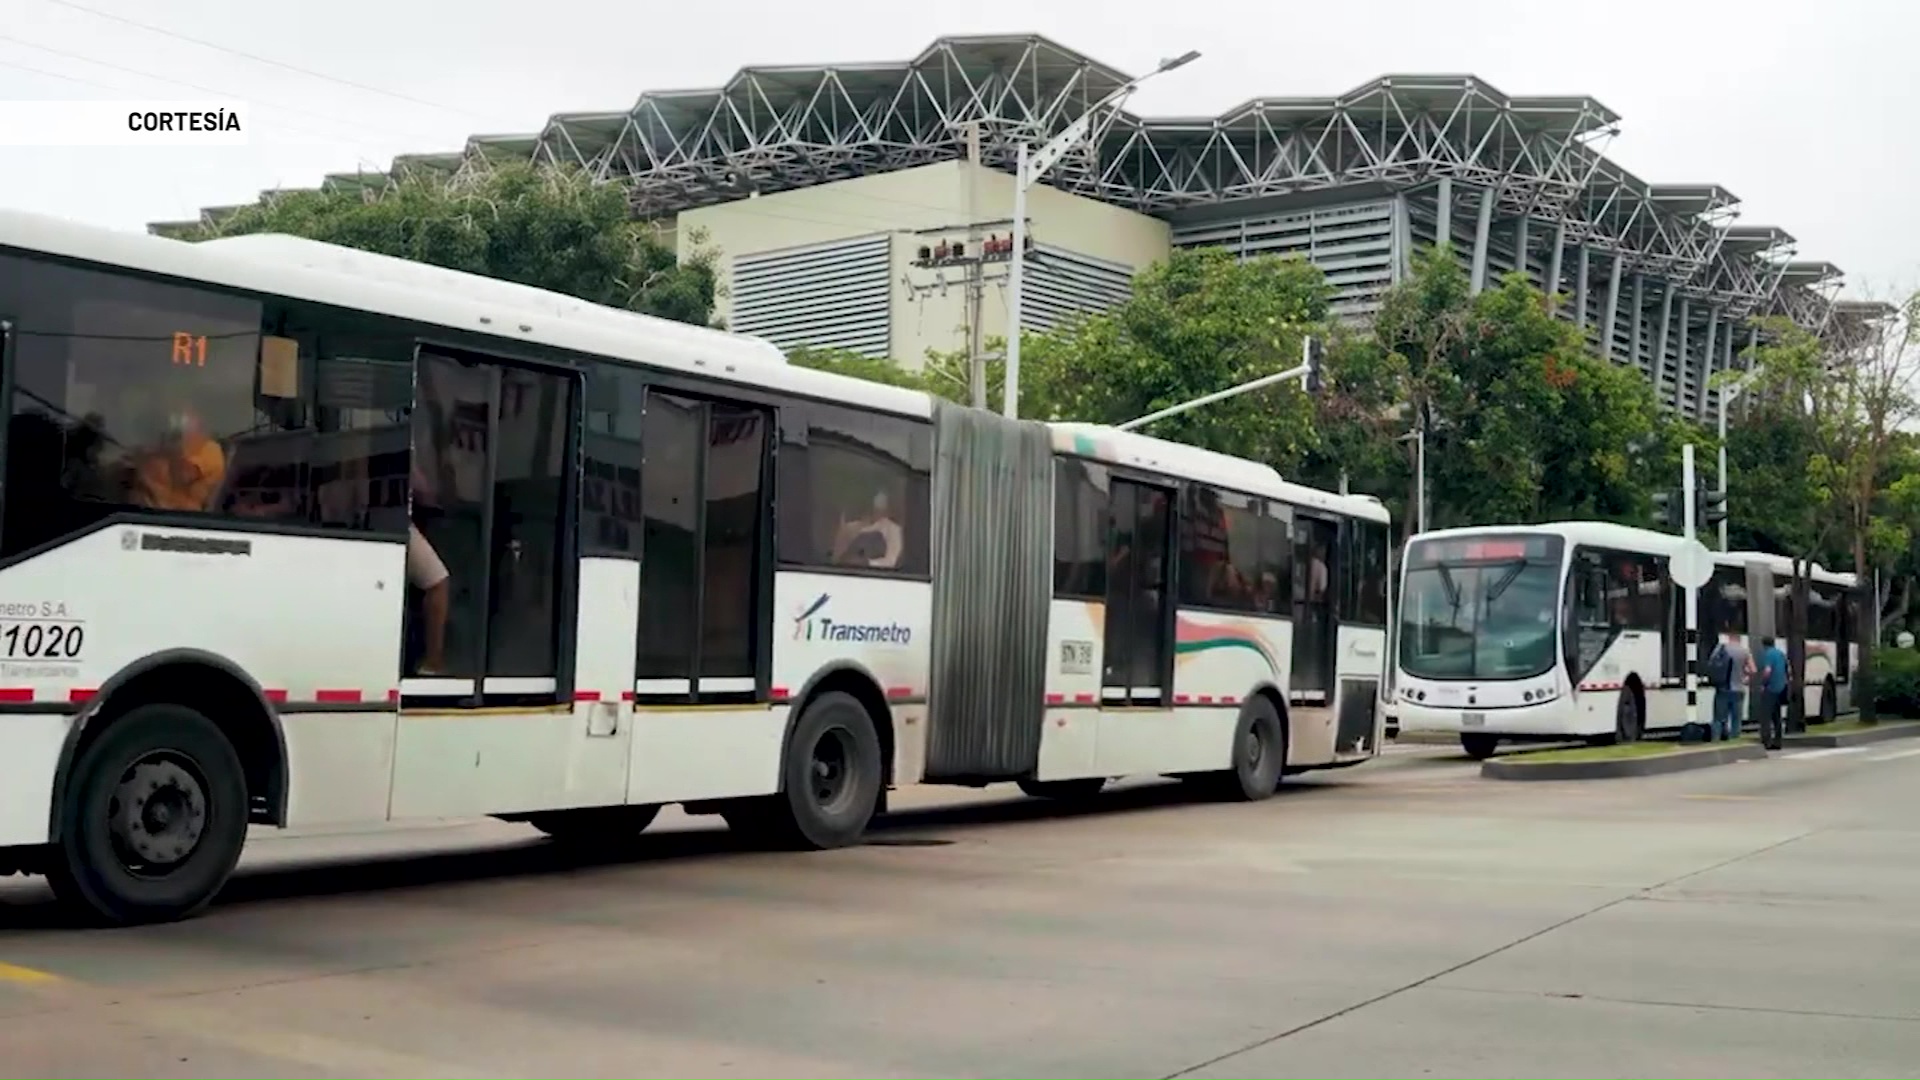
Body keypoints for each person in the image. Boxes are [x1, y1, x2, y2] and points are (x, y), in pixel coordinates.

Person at [132, 404, 225, 511]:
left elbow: (185, 476)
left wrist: (170, 452)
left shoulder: (210, 449)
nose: (179, 424)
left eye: (184, 419)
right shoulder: (149, 455)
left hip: (185, 515)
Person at [831, 492, 903, 569]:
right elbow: (837, 557)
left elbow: (891, 561)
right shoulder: (850, 527)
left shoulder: (893, 530)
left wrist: (867, 563)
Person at [1706, 633, 1754, 742]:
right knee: (1736, 719)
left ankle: (1716, 740)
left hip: (1723, 688)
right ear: (1740, 639)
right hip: (1738, 690)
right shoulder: (1744, 651)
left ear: (1729, 638)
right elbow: (1753, 669)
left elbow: (1711, 664)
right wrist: (1745, 676)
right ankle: (1734, 740)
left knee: (1718, 718)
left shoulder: (1721, 649)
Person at [1756, 634, 1790, 750]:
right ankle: (1778, 741)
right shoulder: (1780, 654)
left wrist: (1763, 684)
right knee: (1777, 716)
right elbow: (1787, 670)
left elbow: (1767, 671)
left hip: (1771, 688)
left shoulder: (1768, 654)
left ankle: (1767, 741)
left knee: (1765, 715)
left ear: (1764, 645)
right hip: (1781, 687)